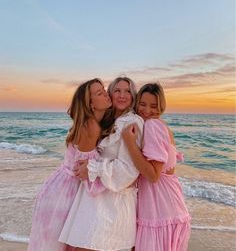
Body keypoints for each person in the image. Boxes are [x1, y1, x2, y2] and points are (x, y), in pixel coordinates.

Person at [59, 76, 144, 251]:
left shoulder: (133, 123)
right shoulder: (107, 120)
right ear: (110, 94)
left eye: (127, 91)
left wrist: (92, 168)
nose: (122, 95)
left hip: (114, 202)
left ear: (133, 96)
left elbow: (128, 170)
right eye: (117, 91)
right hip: (95, 196)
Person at [27, 78, 112, 251]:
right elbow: (86, 172)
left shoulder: (92, 123)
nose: (106, 93)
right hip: (66, 194)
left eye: (103, 89)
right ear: (90, 104)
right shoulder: (91, 127)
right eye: (99, 93)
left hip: (58, 187)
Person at [122, 83, 191, 251]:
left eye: (153, 106)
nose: (147, 110)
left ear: (161, 106)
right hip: (165, 209)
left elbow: (153, 176)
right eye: (142, 104)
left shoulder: (153, 126)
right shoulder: (161, 127)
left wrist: (129, 143)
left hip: (160, 212)